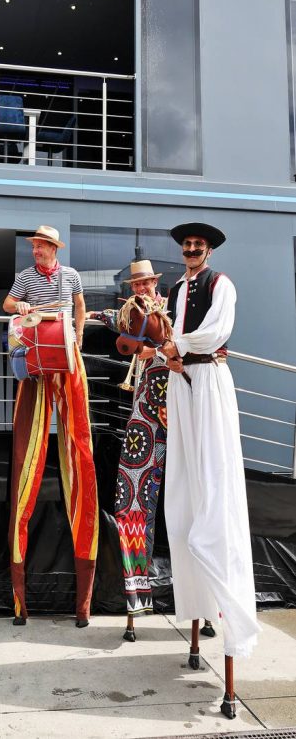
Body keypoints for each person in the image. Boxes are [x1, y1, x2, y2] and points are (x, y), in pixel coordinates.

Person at [161, 223, 259, 659]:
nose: (191, 249)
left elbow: (216, 331)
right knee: (183, 482)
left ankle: (228, 607)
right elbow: (166, 336)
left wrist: (174, 346)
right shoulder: (174, 290)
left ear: (209, 251)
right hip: (179, 378)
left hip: (208, 376)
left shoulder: (221, 284)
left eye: (198, 245)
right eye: (187, 245)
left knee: (215, 476)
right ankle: (196, 605)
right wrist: (167, 351)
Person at [3, 225, 98, 628]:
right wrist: (21, 305)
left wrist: (79, 335)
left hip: (66, 356)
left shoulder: (70, 275)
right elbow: (8, 303)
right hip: (38, 363)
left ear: (53, 248)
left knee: (80, 451)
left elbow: (80, 305)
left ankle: (83, 605)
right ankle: (20, 602)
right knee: (26, 451)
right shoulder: (26, 277)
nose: (36, 251)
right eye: (35, 246)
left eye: (41, 247)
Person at [92, 260, 169, 634]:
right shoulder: (128, 311)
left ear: (155, 283)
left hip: (182, 405)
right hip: (146, 412)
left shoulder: (175, 309)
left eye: (145, 283)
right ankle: (136, 603)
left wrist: (158, 351)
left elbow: (190, 344)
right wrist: (90, 313)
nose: (140, 289)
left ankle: (207, 607)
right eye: (135, 284)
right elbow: (115, 319)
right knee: (133, 497)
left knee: (197, 499)